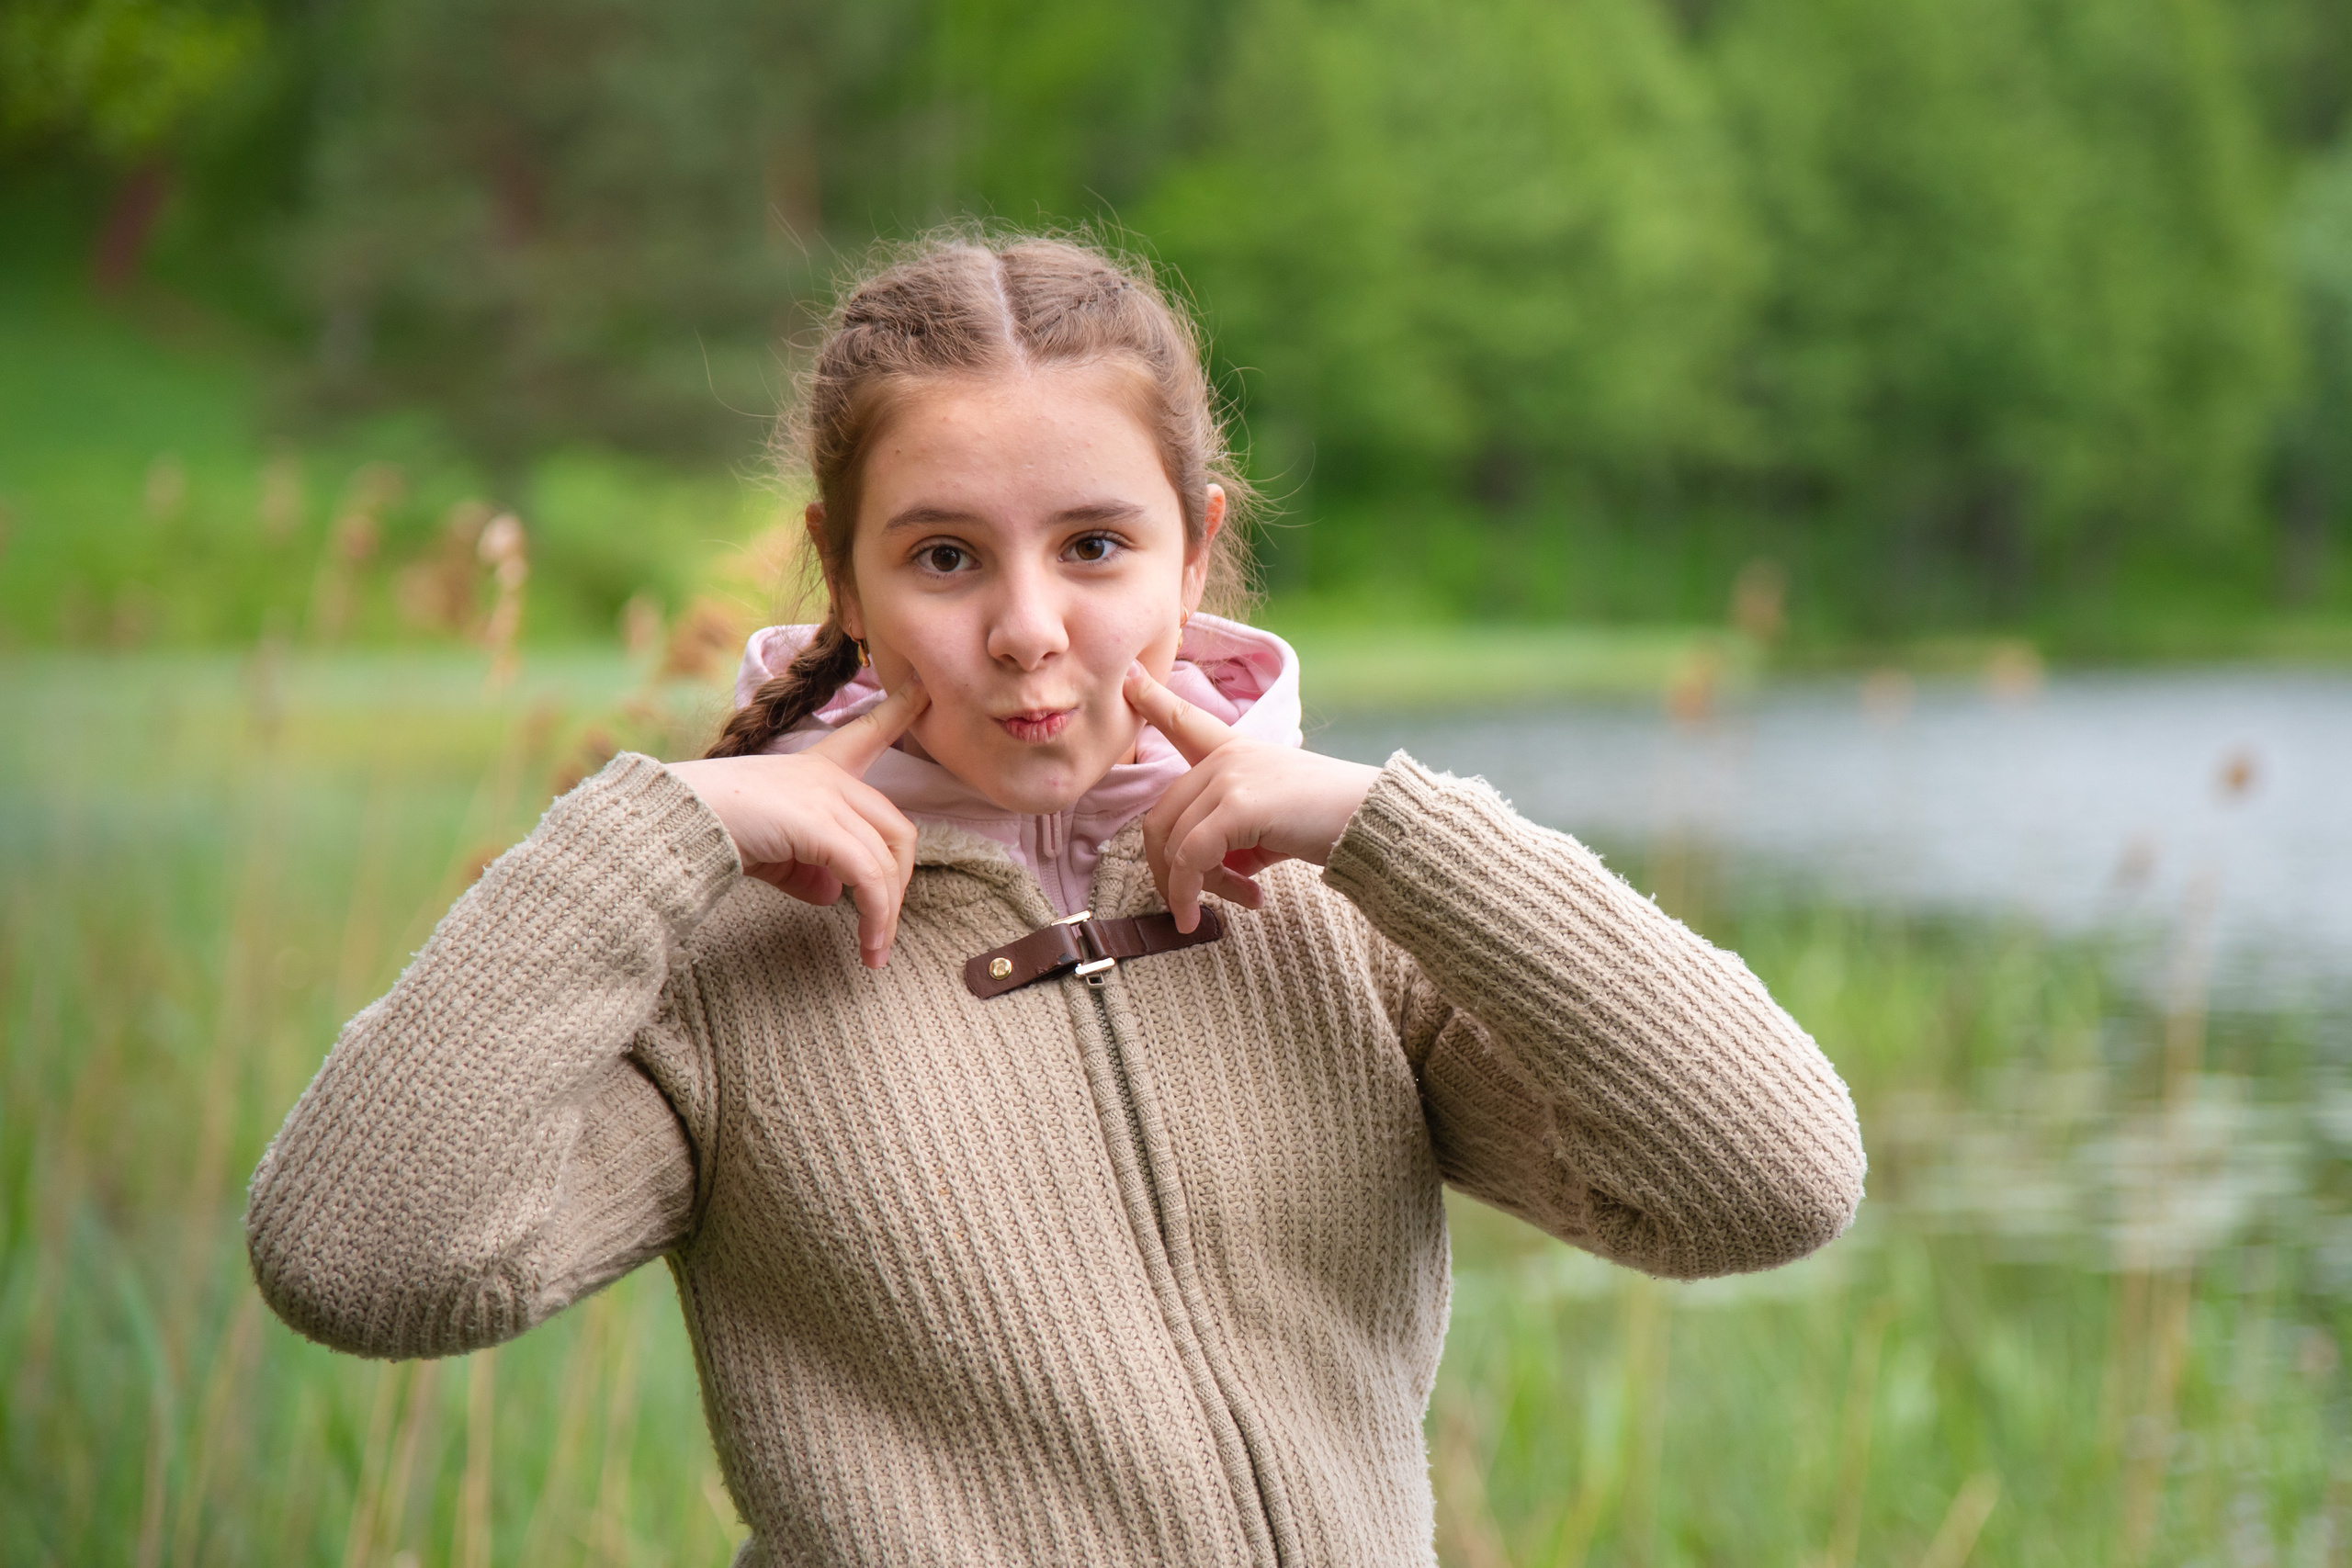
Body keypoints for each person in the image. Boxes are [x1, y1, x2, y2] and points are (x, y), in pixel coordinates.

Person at [246, 232, 1866, 1567]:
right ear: (843, 572)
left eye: (1094, 546)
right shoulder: (730, 956)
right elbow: (357, 1258)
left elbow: (1768, 1181)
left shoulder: (1343, 917)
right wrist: (648, 838)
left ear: (1193, 547)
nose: (1029, 629)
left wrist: (1389, 828)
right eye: (946, 558)